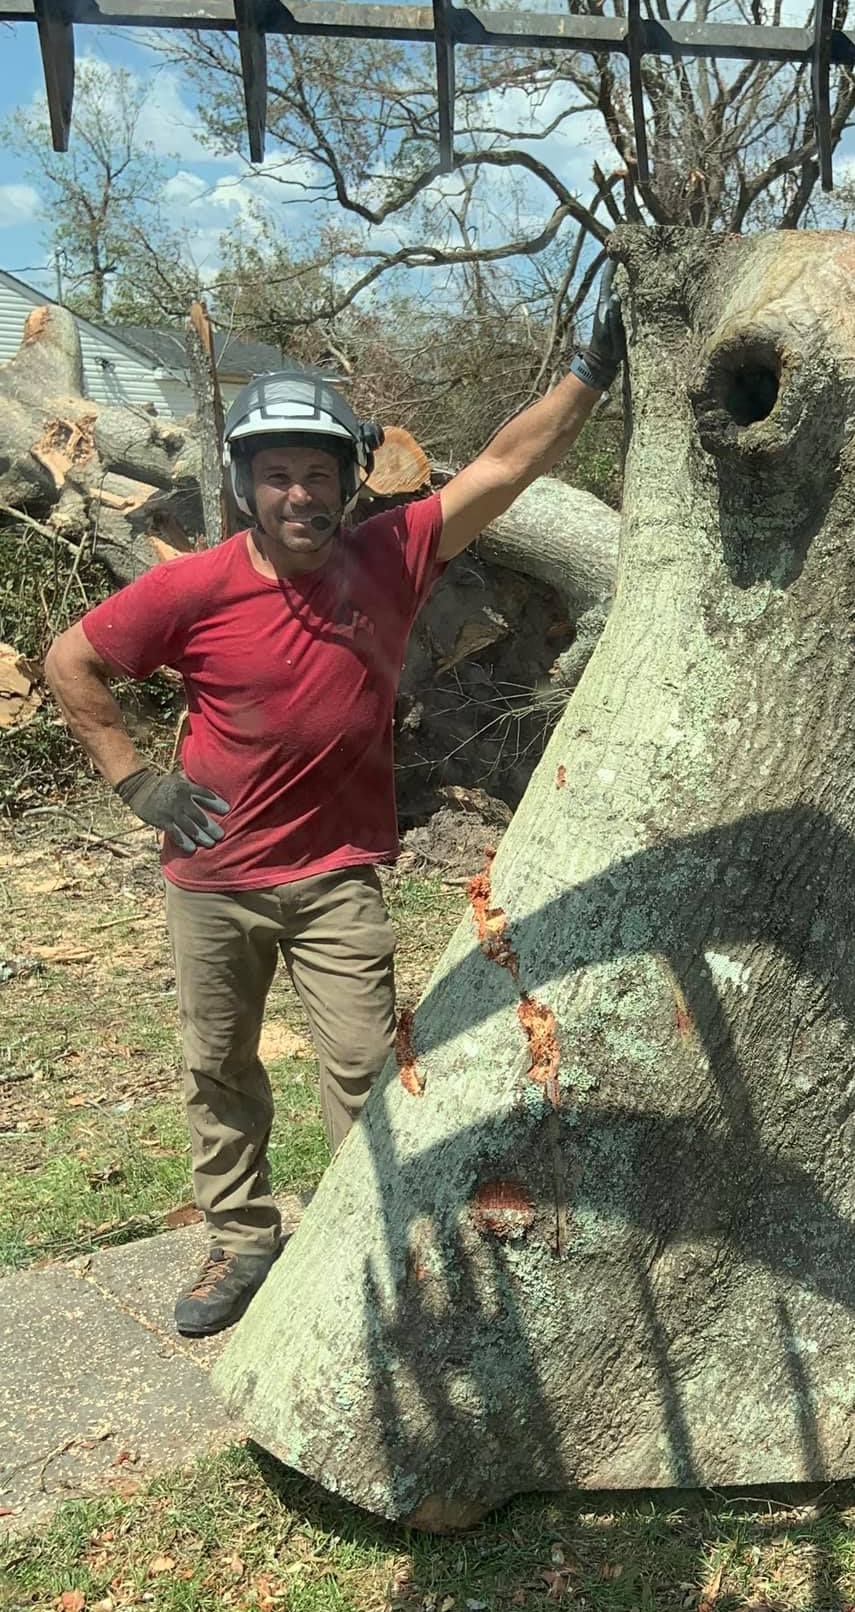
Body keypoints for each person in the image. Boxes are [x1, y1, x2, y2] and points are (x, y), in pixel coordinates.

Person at [43, 279, 626, 1337]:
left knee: (363, 1063)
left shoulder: (390, 557)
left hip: (335, 876)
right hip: (211, 881)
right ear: (245, 485)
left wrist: (591, 372)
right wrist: (139, 782)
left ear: (350, 483)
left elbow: (504, 465)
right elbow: (71, 657)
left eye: (319, 475)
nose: (300, 496)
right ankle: (242, 1236)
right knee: (217, 1063)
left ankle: (365, 1227)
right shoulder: (194, 587)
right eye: (278, 477)